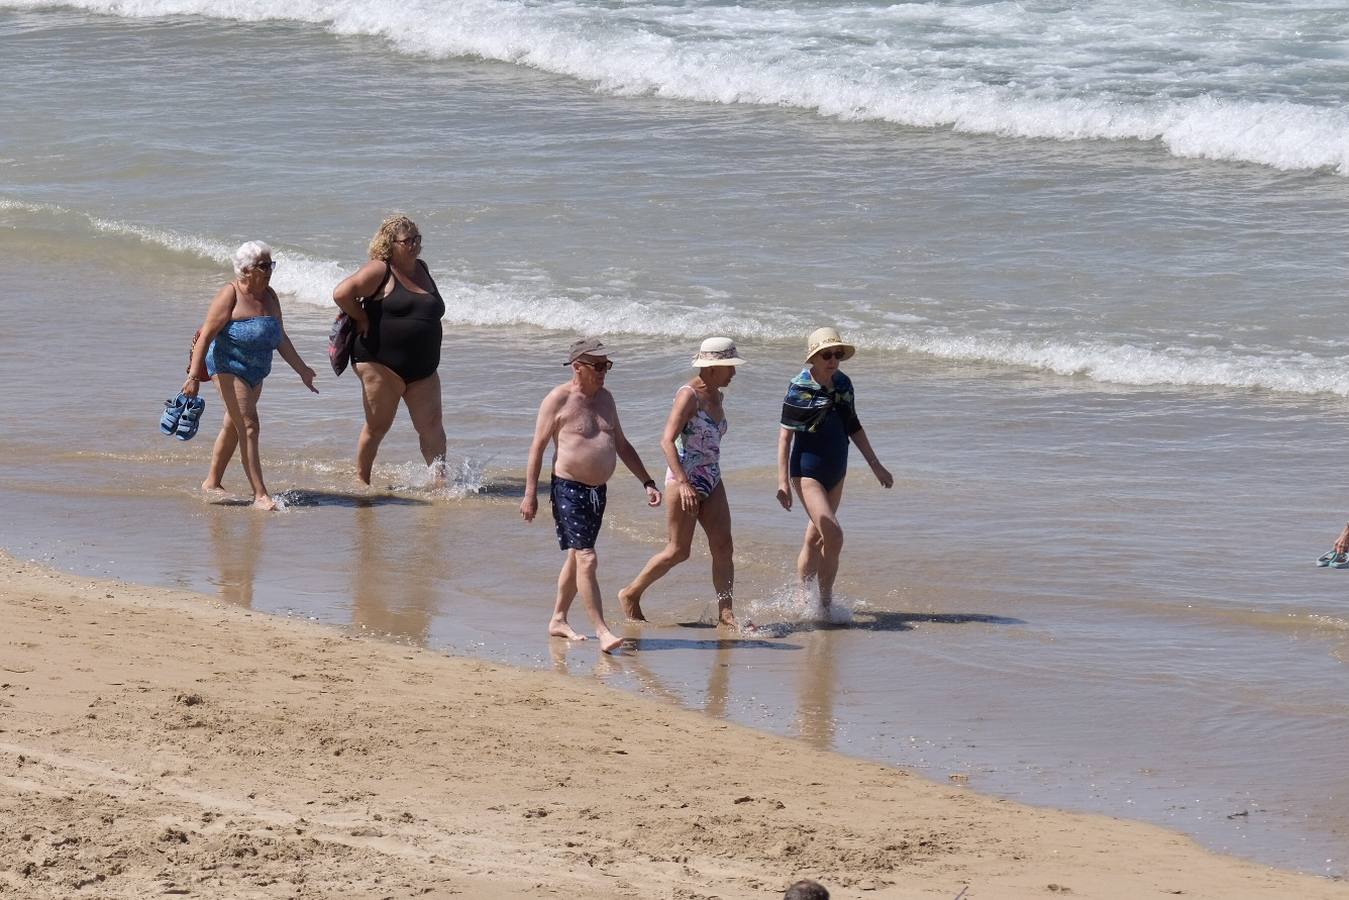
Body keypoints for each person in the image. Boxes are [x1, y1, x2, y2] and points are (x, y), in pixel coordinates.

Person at [520, 338, 663, 653]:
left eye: (607, 365)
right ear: (577, 367)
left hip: (599, 492)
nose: (604, 372)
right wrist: (530, 492)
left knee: (577, 556)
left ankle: (558, 619)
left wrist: (647, 481)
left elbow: (622, 445)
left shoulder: (607, 399)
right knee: (587, 557)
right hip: (568, 488)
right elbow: (538, 448)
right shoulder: (558, 400)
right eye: (597, 366)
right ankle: (602, 631)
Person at [619, 337, 745, 627]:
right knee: (679, 550)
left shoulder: (718, 396)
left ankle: (726, 614)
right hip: (683, 479)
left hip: (712, 477)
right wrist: (685, 482)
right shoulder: (689, 395)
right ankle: (630, 593)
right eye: (730, 367)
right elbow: (666, 441)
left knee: (724, 546)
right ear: (713, 368)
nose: (734, 373)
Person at [184, 241, 318, 510]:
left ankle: (211, 482)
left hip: (256, 371)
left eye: (271, 264)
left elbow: (279, 337)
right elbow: (206, 335)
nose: (269, 270)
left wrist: (302, 369)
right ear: (246, 269)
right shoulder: (229, 294)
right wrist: (193, 377)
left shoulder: (270, 296)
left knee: (233, 426)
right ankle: (260, 495)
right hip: (227, 366)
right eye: (263, 265)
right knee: (249, 425)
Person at [776, 327, 893, 610]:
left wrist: (876, 466)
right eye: (826, 355)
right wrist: (781, 482)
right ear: (814, 357)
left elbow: (853, 425)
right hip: (806, 471)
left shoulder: (843, 384)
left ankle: (806, 598)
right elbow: (785, 436)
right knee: (834, 534)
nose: (832, 360)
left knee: (815, 537)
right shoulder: (800, 387)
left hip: (837, 470)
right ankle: (823, 604)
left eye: (837, 355)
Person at [332, 214, 447, 486]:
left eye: (418, 238)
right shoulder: (379, 270)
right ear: (390, 243)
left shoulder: (422, 268)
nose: (415, 245)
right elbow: (341, 293)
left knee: (432, 426)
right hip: (380, 363)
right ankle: (362, 481)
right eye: (408, 240)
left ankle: (440, 483)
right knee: (378, 426)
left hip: (424, 367)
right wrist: (360, 316)